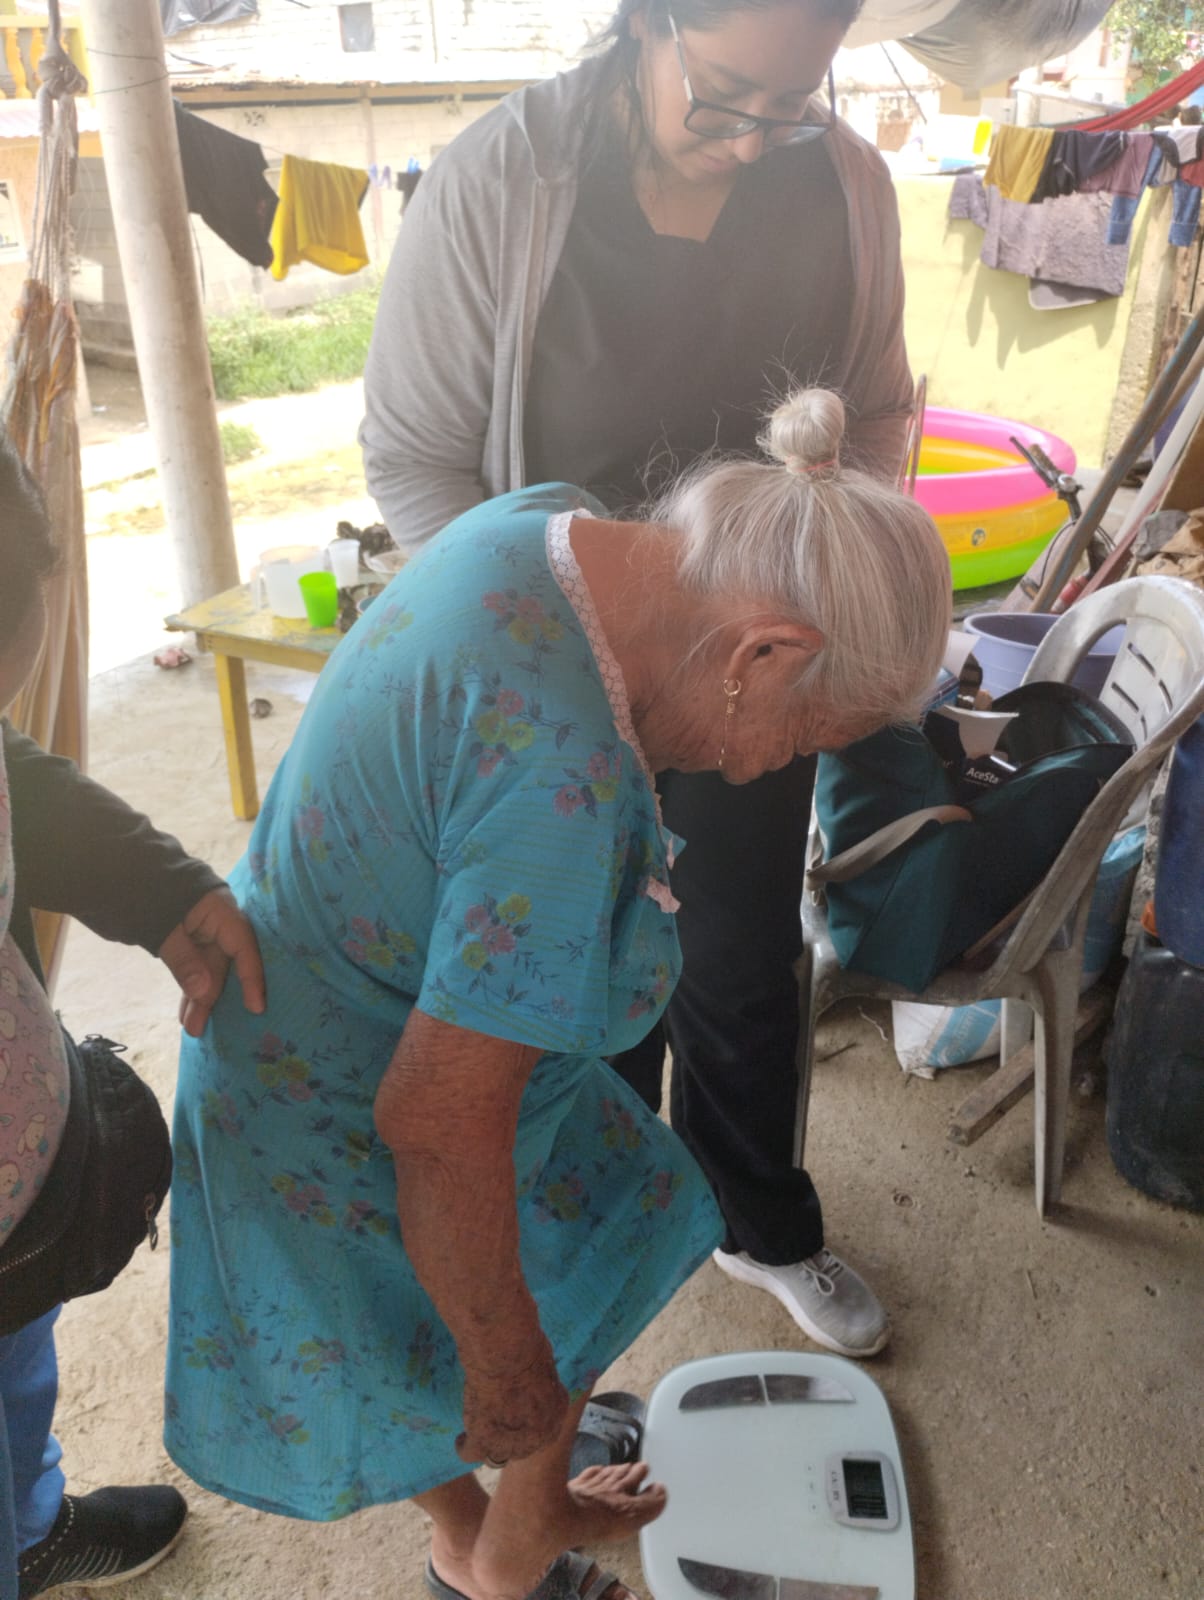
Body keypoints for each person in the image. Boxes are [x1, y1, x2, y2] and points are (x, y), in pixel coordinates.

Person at [166, 388, 951, 1600]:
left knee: (616, 1191)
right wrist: (510, 1375)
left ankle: (489, 1533)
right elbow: (437, 1127)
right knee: (501, 1319)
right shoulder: (563, 786)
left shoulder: (549, 529)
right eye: (805, 734)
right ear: (761, 655)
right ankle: (497, 1559)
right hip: (324, 1092)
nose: (775, 766)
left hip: (314, 1012)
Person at [359, 0, 915, 1358]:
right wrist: (543, 657)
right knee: (574, 968)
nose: (757, 138)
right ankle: (586, 1250)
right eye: (722, 95)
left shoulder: (844, 186)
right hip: (557, 676)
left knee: (738, 950)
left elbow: (879, 409)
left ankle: (756, 1219)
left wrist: (839, 588)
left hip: (759, 670)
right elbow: (415, 457)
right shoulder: (504, 179)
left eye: (792, 104)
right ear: (645, 22)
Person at [0, 432, 267, 1600]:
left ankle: (33, 1524)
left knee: (18, 1373)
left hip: (19, 1221)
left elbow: (19, 784)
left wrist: (164, 890)